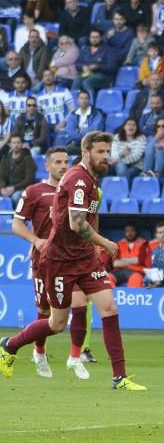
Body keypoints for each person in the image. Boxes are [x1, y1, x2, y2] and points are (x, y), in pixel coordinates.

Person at [0, 131, 146, 390]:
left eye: (107, 151)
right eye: (100, 152)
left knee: (109, 309)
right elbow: (76, 223)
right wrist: (104, 243)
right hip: (60, 261)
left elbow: (90, 219)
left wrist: (96, 248)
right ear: (86, 152)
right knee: (56, 323)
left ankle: (120, 377)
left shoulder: (92, 182)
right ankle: (9, 346)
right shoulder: (78, 179)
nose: (106, 156)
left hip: (85, 258)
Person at [10, 146, 92, 379]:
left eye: (66, 161)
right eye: (57, 162)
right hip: (44, 261)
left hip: (72, 260)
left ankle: (75, 357)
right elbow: (16, 224)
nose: (63, 166)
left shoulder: (77, 189)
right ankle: (39, 351)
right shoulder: (34, 192)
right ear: (47, 166)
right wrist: (34, 240)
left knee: (80, 303)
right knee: (44, 312)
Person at [111, 223, 150, 288]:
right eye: (127, 231)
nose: (130, 233)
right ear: (124, 232)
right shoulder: (119, 244)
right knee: (108, 277)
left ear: (136, 231)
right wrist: (134, 260)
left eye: (132, 230)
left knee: (135, 278)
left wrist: (122, 260)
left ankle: (132, 297)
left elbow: (140, 260)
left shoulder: (143, 243)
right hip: (121, 272)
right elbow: (115, 263)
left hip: (136, 272)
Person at [0, 134, 36, 205]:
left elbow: (29, 179)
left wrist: (14, 188)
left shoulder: (28, 159)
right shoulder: (5, 159)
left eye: (18, 142)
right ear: (10, 145)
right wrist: (2, 188)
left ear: (22, 144)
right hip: (6, 188)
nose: (16, 145)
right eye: (14, 143)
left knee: (16, 197)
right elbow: (1, 176)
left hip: (21, 189)